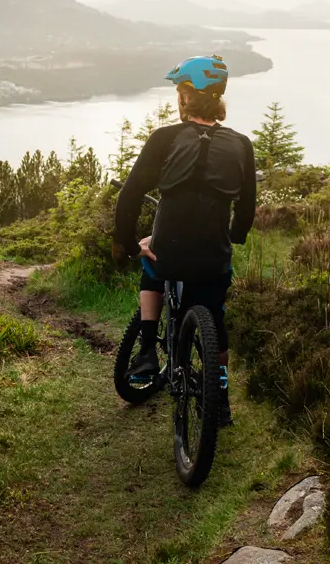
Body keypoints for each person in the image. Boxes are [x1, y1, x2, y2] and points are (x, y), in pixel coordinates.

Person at [114, 54, 257, 427]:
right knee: (215, 317)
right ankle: (221, 395)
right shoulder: (241, 144)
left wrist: (131, 245)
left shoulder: (164, 138)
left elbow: (128, 197)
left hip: (170, 250)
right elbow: (246, 210)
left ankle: (147, 351)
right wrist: (234, 238)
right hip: (213, 254)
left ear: (185, 97)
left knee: (150, 257)